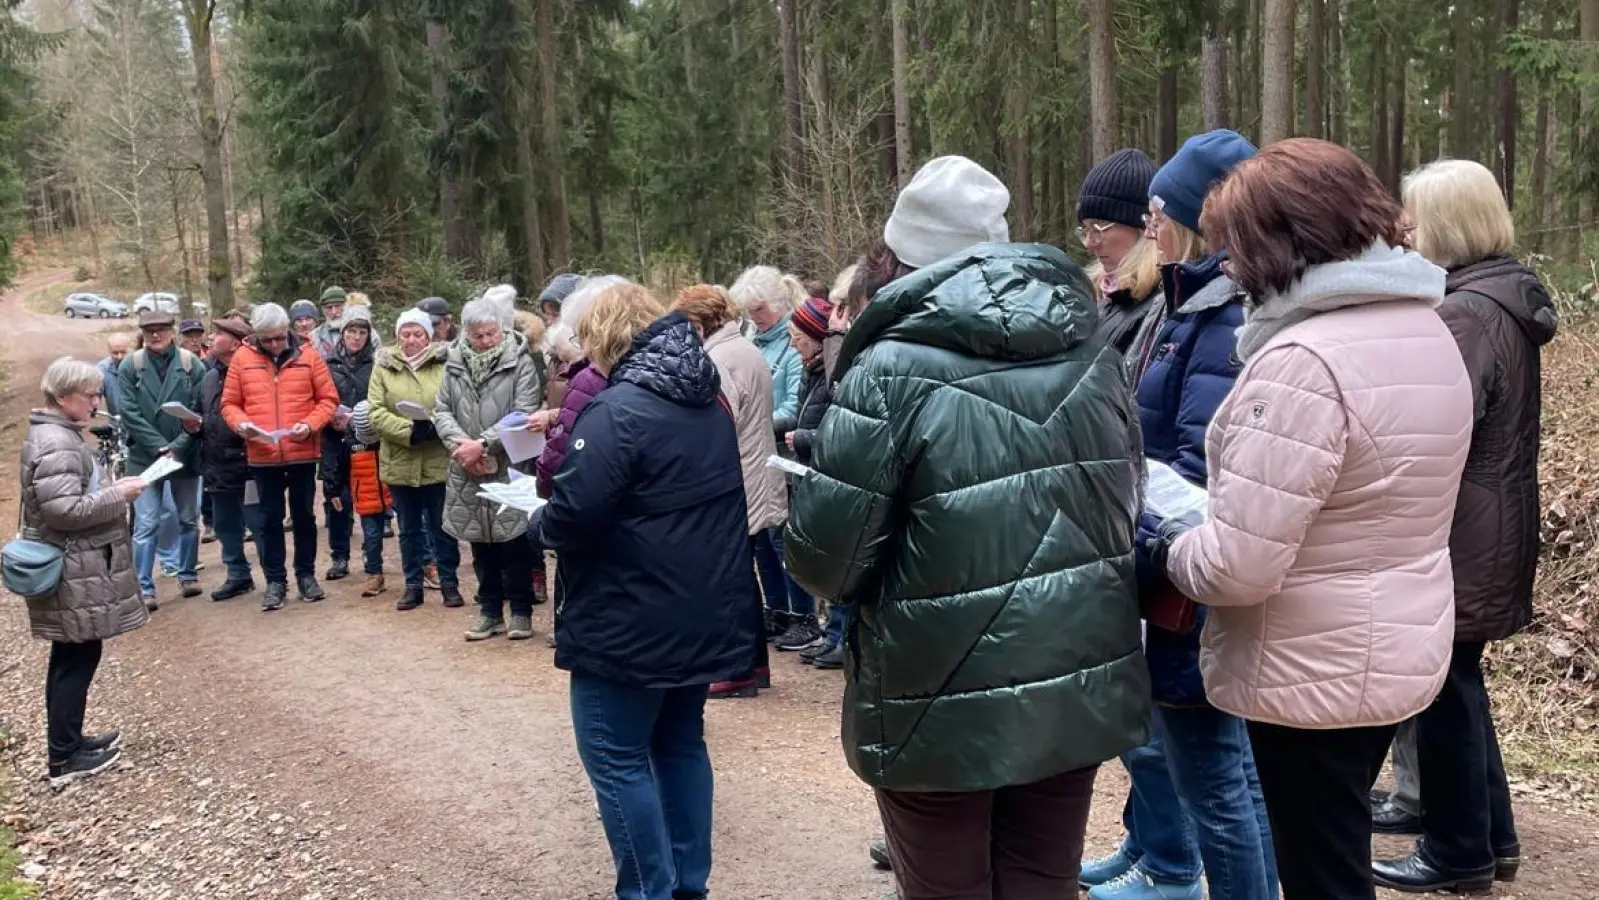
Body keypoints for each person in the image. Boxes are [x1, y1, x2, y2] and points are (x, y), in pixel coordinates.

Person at [785, 155, 1149, 900]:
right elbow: (1128, 494)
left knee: (947, 888)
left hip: (933, 685)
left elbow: (826, 558)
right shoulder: (1090, 348)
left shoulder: (887, 368)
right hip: (1072, 668)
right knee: (1042, 883)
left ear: (896, 253)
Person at [1140, 139, 1473, 900]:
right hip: (1394, 641)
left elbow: (1236, 568)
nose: (1228, 265)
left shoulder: (1303, 362)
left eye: (1234, 246)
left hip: (1311, 666)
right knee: (1335, 853)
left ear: (1274, 242)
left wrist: (1160, 547)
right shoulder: (1425, 328)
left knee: (1320, 873)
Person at [1088, 129, 1277, 900]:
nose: (1150, 224)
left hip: (1185, 581)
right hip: (1175, 568)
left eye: (1162, 210)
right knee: (1228, 779)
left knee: (1217, 787)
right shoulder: (1190, 305)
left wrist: (1127, 512)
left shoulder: (1219, 318)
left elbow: (1201, 473)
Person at [1367, 160, 1559, 893]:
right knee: (1457, 684)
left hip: (1462, 533)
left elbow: (1432, 421)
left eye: (1414, 217)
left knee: (1442, 691)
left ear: (1446, 223)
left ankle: (1457, 854)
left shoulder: (1466, 314)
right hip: (1490, 525)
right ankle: (1491, 840)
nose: (1404, 232)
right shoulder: (1498, 299)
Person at [526, 283, 754, 900]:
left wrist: (537, 521)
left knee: (616, 757)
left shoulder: (618, 409)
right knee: (680, 746)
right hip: (697, 605)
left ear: (600, 336)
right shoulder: (705, 398)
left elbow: (573, 515)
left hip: (627, 617)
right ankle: (687, 887)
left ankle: (649, 892)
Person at [21, 358, 149, 786]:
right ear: (61, 398)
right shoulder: (56, 443)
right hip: (71, 566)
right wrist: (119, 494)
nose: (96, 402)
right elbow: (64, 510)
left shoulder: (58, 435)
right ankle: (64, 757)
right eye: (88, 395)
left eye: (97, 393)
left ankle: (70, 743)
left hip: (77, 565)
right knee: (75, 656)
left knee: (74, 653)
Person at [670, 284, 786, 698]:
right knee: (741, 572)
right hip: (751, 472)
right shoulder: (744, 350)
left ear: (700, 321)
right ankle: (752, 664)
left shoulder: (718, 359)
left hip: (737, 477)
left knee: (732, 576)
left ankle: (741, 668)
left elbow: (718, 423)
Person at [434, 298, 544, 642]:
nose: (485, 340)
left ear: (502, 328)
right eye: (478, 335)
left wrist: (481, 444)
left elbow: (524, 409)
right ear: (466, 333)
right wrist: (462, 447)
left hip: (508, 463)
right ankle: (490, 611)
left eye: (491, 333)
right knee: (480, 540)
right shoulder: (453, 363)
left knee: (515, 541)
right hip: (466, 464)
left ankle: (521, 612)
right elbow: (441, 410)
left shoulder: (520, 361)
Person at [221, 302, 341, 611]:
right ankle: (275, 581)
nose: (274, 344)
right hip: (263, 454)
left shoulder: (308, 355)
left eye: (278, 338)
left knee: (304, 517)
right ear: (257, 336)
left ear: (286, 330)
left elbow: (328, 399)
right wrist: (241, 425)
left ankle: (306, 576)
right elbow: (230, 404)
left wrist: (310, 424)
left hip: (301, 450)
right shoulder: (242, 359)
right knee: (269, 520)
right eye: (267, 339)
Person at [368, 308, 462, 610]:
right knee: (408, 528)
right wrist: (409, 430)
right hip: (400, 457)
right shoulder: (383, 366)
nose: (411, 339)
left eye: (417, 333)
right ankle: (412, 585)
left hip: (437, 457)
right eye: (405, 333)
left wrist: (437, 425)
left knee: (442, 526)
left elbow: (456, 400)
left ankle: (450, 583)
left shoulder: (445, 362)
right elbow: (376, 411)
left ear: (428, 335)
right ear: (398, 336)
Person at [118, 309, 206, 608]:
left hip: (184, 454)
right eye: (150, 330)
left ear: (172, 330)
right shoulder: (132, 365)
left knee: (188, 519)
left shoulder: (190, 363)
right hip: (145, 457)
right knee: (146, 522)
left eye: (162, 329)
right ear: (142, 332)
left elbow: (199, 409)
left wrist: (178, 446)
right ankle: (144, 587)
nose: (156, 335)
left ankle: (188, 575)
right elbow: (128, 411)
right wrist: (158, 445)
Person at [796, 265, 854, 670]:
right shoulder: (822, 358)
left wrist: (834, 339)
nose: (835, 315)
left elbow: (844, 409)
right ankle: (834, 633)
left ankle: (842, 637)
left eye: (841, 307)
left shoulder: (844, 348)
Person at [770, 293, 834, 658]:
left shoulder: (829, 377)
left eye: (797, 340)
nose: (793, 347)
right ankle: (821, 628)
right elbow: (804, 416)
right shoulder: (812, 373)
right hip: (801, 471)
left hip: (818, 472)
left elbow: (837, 427)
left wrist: (804, 437)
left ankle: (822, 625)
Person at [321, 304, 384, 587]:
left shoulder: (378, 363)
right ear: (342, 332)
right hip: (336, 440)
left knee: (373, 502)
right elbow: (320, 398)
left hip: (369, 440)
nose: (356, 337)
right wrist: (330, 415)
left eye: (362, 332)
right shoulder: (328, 364)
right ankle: (340, 555)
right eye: (351, 331)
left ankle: (374, 561)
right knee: (337, 498)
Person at [1078, 148, 1163, 355]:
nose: (1089, 243)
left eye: (1098, 229)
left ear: (1142, 228)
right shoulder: (1102, 298)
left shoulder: (1159, 308)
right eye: (1085, 229)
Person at [201, 314, 260, 602]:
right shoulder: (209, 376)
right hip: (216, 465)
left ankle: (276, 577)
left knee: (259, 522)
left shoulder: (254, 374)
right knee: (225, 525)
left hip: (248, 464)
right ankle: (237, 574)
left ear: (235, 343)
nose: (211, 339)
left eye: (218, 334)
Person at [96, 333, 131, 415]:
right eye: (115, 353)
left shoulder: (139, 365)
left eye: (123, 352)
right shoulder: (102, 368)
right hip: (117, 422)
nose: (120, 357)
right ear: (109, 351)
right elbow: (95, 391)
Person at [312, 286, 347, 357]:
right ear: (323, 310)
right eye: (329, 307)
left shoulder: (364, 332)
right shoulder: (315, 336)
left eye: (338, 306)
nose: (334, 312)